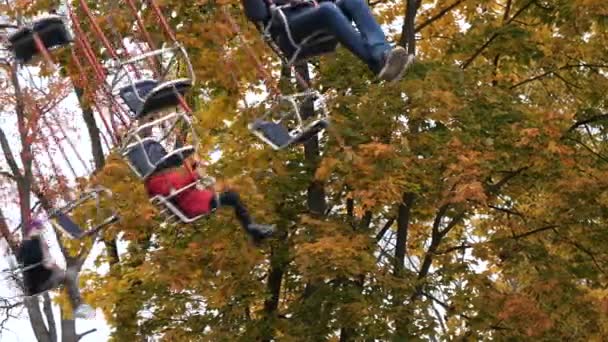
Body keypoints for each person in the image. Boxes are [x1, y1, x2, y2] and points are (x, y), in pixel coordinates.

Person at [242, 0, 415, 82]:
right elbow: (257, 14)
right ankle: (378, 63)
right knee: (328, 10)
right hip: (288, 31)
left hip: (317, 17)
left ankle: (382, 54)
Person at [144, 160, 276, 242]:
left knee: (232, 197)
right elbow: (178, 187)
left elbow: (182, 181)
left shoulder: (162, 178)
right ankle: (251, 228)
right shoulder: (155, 183)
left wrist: (196, 171)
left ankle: (253, 230)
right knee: (232, 197)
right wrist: (195, 175)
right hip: (193, 204)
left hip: (197, 199)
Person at [17, 219, 94, 318]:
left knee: (70, 275)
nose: (40, 232)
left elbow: (48, 262)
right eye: (38, 229)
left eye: (41, 229)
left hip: (47, 278)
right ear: (32, 230)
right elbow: (26, 259)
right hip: (38, 284)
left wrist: (52, 264)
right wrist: (45, 258)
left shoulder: (39, 242)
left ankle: (79, 307)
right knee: (67, 275)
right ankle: (78, 306)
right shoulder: (26, 244)